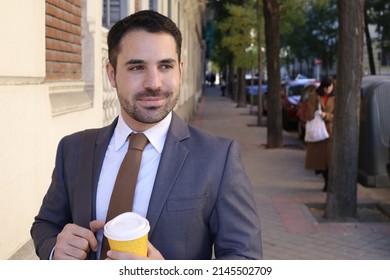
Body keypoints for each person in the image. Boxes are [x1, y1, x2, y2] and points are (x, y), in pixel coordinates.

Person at [31, 10, 262, 260]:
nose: (154, 82)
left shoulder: (218, 158)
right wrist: (56, 249)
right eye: (137, 67)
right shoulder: (73, 149)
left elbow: (245, 260)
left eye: (165, 66)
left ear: (180, 69)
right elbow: (45, 224)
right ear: (112, 74)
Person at [304, 76, 335, 192]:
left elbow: (338, 114)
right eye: (325, 88)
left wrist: (326, 115)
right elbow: (308, 114)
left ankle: (328, 183)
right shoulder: (315, 95)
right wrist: (313, 111)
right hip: (318, 133)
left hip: (330, 132)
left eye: (329, 87)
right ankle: (326, 180)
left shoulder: (336, 96)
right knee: (319, 162)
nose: (327, 90)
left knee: (329, 161)